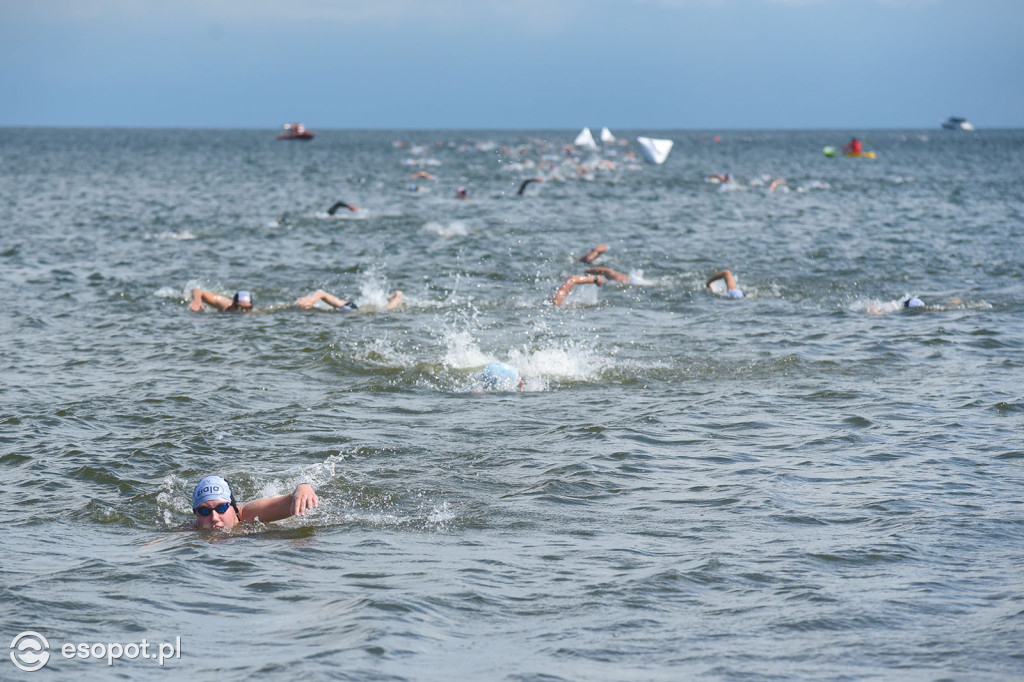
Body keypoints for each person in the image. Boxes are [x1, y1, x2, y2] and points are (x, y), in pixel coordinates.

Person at [191, 475, 318, 531]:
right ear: (196, 514)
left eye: (221, 508)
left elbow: (290, 503)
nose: (214, 518)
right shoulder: (193, 528)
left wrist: (303, 487)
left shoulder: (250, 514)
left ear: (233, 508)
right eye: (204, 511)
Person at [296, 289, 402, 311]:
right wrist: (312, 300)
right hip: (349, 308)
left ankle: (397, 295)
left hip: (352, 310)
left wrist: (312, 300)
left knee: (386, 309)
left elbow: (321, 293)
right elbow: (321, 293)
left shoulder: (348, 308)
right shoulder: (342, 306)